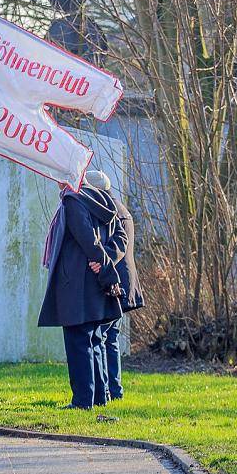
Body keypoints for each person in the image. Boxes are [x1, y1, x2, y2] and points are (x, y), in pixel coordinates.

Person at [38, 173, 126, 409]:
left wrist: (104, 265)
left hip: (75, 283)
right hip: (94, 282)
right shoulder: (101, 199)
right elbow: (117, 237)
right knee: (94, 339)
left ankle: (82, 400)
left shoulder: (72, 200)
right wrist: (105, 266)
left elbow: (87, 238)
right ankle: (99, 397)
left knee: (78, 342)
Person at [83, 171, 144, 401]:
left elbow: (117, 245)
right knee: (111, 337)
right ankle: (113, 390)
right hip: (126, 280)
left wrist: (100, 261)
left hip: (113, 281)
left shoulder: (109, 211)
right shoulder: (122, 209)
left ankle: (109, 390)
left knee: (102, 335)